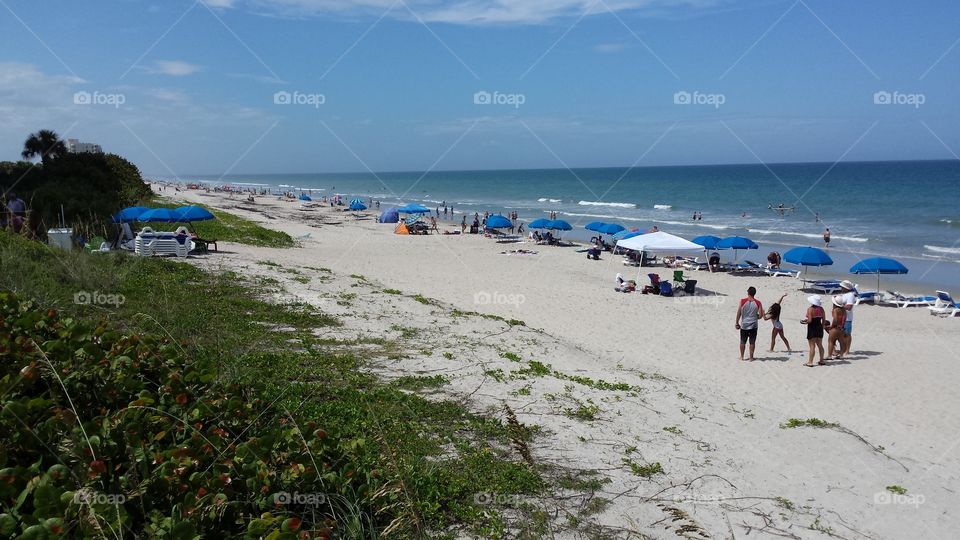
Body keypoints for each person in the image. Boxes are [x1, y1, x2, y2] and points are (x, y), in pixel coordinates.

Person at [735, 286, 764, 361]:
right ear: (754, 293)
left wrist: (737, 322)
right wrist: (755, 317)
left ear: (748, 292)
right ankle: (751, 358)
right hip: (754, 325)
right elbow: (760, 316)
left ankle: (742, 357)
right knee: (752, 342)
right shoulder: (758, 303)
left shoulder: (742, 301)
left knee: (742, 341)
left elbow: (739, 313)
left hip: (744, 325)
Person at [801, 295, 826, 366]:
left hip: (812, 328)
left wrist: (804, 322)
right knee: (820, 345)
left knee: (812, 346)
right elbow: (824, 319)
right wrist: (823, 326)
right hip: (819, 327)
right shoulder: (821, 309)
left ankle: (810, 362)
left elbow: (810, 320)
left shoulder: (810, 309)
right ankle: (821, 360)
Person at [826, 295, 848, 360]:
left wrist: (832, 326)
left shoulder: (835, 310)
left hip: (835, 328)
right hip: (841, 328)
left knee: (831, 341)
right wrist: (842, 326)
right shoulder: (844, 310)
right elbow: (844, 319)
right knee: (841, 342)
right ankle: (841, 355)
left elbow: (835, 319)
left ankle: (829, 355)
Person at [839, 280, 856, 356]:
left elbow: (849, 307)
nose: (841, 288)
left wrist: (840, 306)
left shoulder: (850, 295)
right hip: (842, 317)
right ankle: (844, 348)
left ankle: (847, 350)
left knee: (847, 334)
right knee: (842, 334)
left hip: (847, 318)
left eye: (842, 287)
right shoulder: (844, 294)